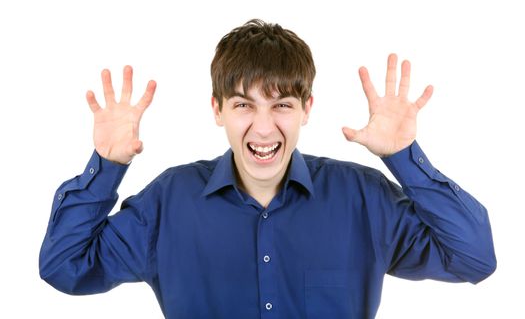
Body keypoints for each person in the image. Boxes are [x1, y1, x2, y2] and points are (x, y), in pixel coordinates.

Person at [39, 19, 496, 319]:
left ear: (306, 108)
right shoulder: (169, 202)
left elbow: (474, 258)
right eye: (244, 105)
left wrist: (405, 156)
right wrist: (107, 166)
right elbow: (64, 268)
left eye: (281, 104)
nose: (263, 127)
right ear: (217, 110)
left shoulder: (362, 197)